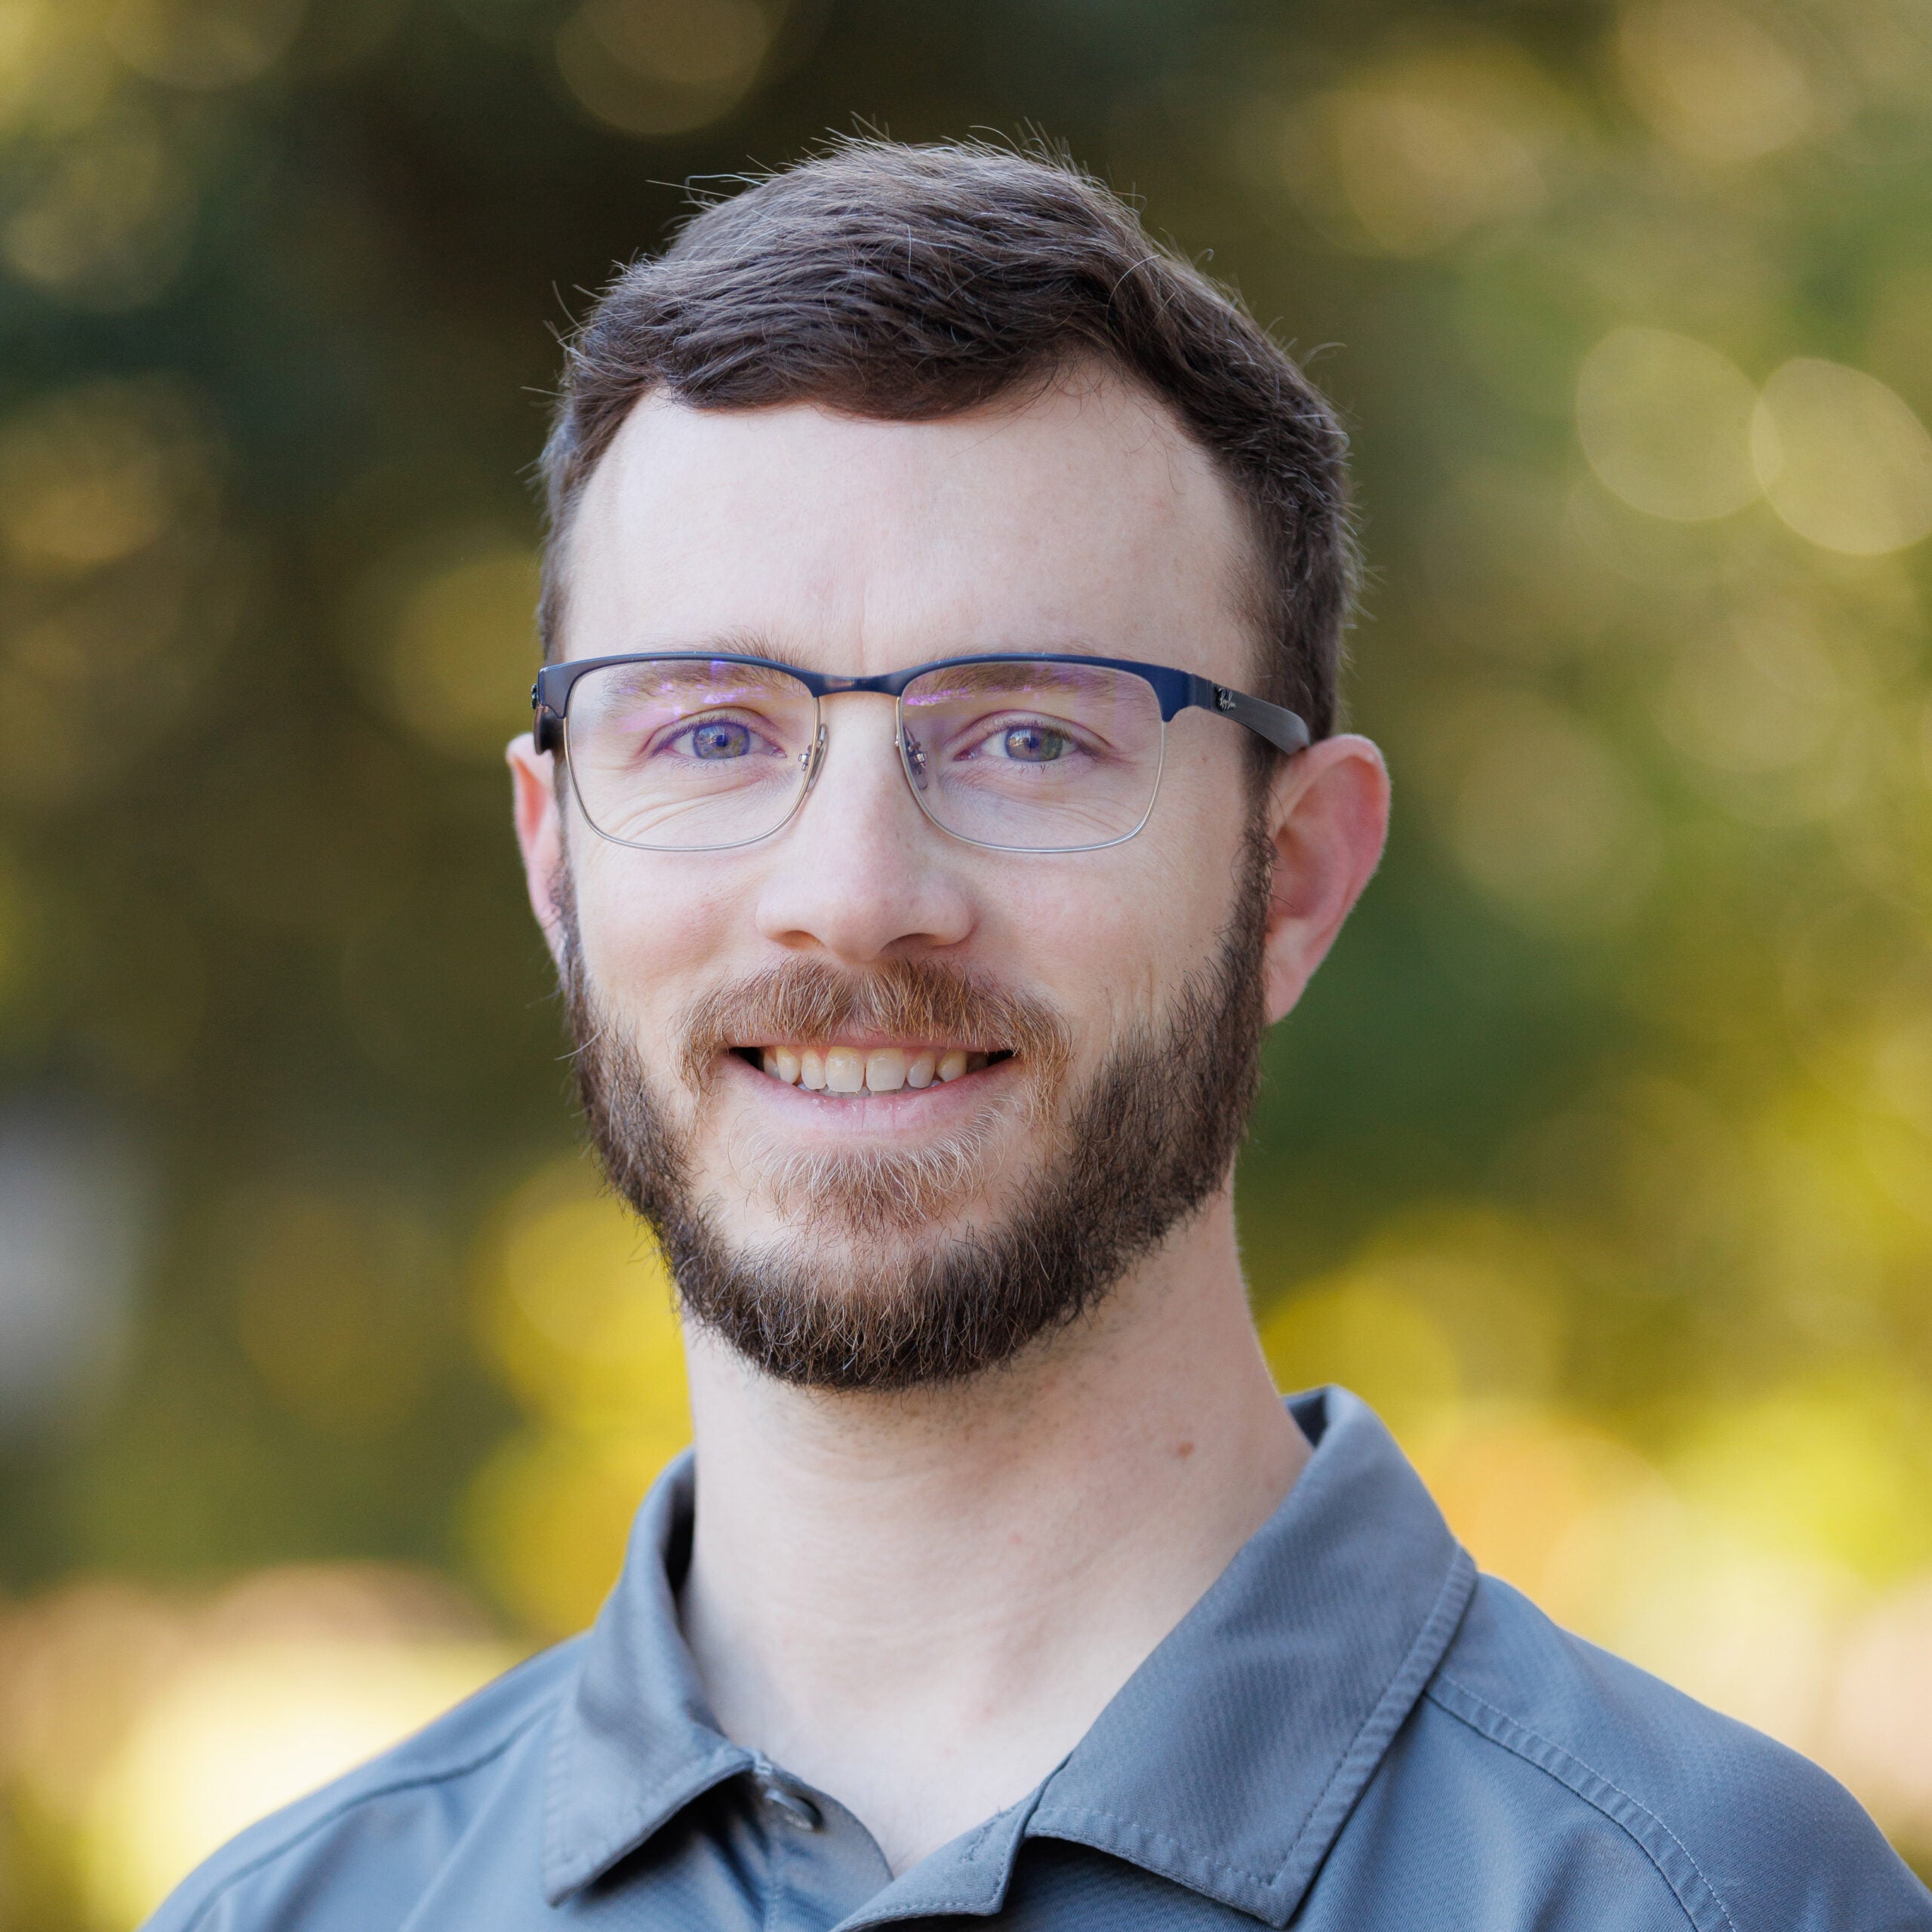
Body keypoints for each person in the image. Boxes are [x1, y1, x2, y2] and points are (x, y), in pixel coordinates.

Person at [147, 140, 1930, 1932]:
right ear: (555, 859)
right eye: (707, 732)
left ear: (1292, 876)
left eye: (1028, 735)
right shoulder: (288, 1912)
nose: (850, 895)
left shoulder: (1721, 1900)